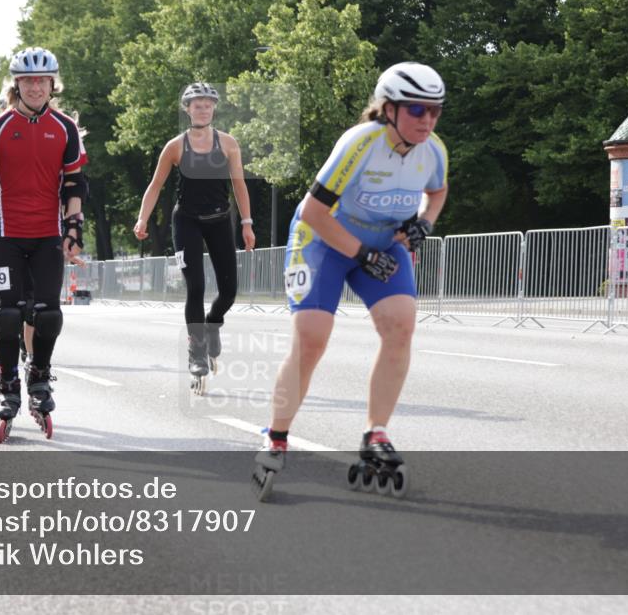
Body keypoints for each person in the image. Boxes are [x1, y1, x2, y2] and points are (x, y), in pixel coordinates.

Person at [253, 62, 449, 500]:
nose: (427, 120)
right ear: (388, 108)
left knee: (402, 324)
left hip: (382, 242)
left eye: (435, 111)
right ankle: (276, 435)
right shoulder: (360, 143)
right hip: (325, 238)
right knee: (312, 338)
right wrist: (360, 253)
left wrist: (425, 224)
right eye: (417, 110)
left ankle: (376, 433)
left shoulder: (433, 149)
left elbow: (438, 191)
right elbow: (313, 212)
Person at [0, 46, 87, 442]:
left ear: (52, 84)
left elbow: (74, 183)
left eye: (42, 80)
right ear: (17, 84)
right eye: (28, 81)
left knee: (48, 314)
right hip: (1, 235)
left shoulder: (65, 129)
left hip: (46, 236)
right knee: (5, 313)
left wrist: (74, 225)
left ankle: (39, 376)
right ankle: (6, 385)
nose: (36, 87)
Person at [133, 82, 255, 391]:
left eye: (207, 104)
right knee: (196, 287)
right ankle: (196, 352)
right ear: (187, 109)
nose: (202, 108)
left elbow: (239, 185)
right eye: (196, 104)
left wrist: (247, 222)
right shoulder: (175, 146)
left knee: (229, 291)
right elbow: (156, 185)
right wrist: (142, 219)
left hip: (219, 220)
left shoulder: (228, 144)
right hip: (186, 221)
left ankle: (213, 325)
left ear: (214, 108)